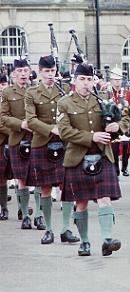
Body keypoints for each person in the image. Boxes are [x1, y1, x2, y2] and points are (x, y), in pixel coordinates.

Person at [57, 63, 129, 256]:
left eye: (89, 79)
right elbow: (64, 131)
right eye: (82, 79)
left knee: (105, 198)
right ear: (74, 81)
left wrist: (117, 127)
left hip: (103, 156)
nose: (86, 83)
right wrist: (92, 137)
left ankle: (107, 239)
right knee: (81, 202)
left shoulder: (103, 99)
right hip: (78, 158)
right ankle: (85, 242)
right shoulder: (65, 103)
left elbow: (124, 118)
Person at [25, 55, 80, 244]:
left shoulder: (64, 90)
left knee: (67, 187)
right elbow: (31, 120)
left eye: (53, 71)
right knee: (46, 188)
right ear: (40, 72)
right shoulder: (32, 93)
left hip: (65, 144)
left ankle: (66, 228)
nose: (50, 75)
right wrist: (51, 129)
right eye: (47, 71)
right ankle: (48, 229)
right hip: (42, 143)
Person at [0, 59, 41, 229]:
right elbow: (3, 117)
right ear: (14, 73)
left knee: (39, 179)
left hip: (37, 139)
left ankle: (39, 214)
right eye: (20, 71)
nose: (23, 74)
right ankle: (25, 215)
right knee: (21, 179)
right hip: (17, 140)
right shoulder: (7, 93)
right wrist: (20, 124)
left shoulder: (37, 90)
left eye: (26, 70)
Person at [0, 73, 12, 220]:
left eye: (4, 84)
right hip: (2, 142)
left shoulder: (10, 99)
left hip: (12, 143)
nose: (2, 87)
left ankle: (24, 207)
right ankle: (3, 207)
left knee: (18, 177)